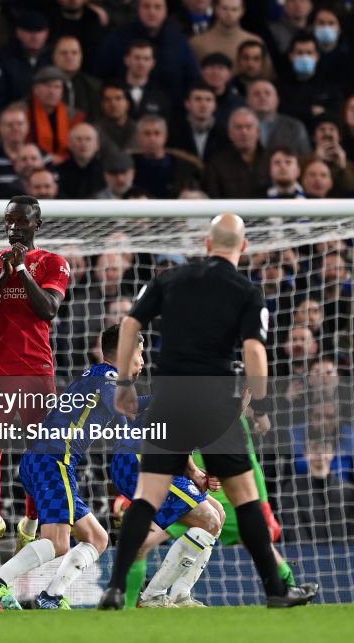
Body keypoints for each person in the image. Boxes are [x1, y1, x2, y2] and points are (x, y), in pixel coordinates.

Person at [98, 213, 319, 609]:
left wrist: (126, 385)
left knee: (147, 497)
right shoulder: (247, 291)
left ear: (206, 243)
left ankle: (115, 588)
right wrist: (263, 404)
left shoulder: (169, 279)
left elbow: (130, 323)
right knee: (247, 500)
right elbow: (254, 350)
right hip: (217, 404)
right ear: (244, 247)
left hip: (170, 401)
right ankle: (275, 590)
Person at [0, 325, 138, 610]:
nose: (142, 361)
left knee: (98, 538)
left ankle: (50, 596)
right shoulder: (110, 377)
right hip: (53, 463)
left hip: (44, 461)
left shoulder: (97, 376)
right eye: (139, 353)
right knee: (59, 542)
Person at [0, 196, 69, 564]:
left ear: (37, 224)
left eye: (22, 221)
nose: (14, 227)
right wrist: (3, 273)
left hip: (37, 372)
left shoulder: (52, 263)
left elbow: (48, 310)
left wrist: (23, 272)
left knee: (40, 454)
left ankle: (29, 523)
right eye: (9, 220)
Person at [110, 406, 227, 608]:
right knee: (209, 520)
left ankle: (181, 595)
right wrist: (193, 471)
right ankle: (152, 596)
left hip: (152, 459)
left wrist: (197, 471)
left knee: (218, 514)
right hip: (139, 460)